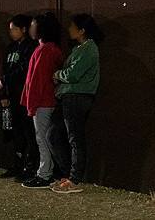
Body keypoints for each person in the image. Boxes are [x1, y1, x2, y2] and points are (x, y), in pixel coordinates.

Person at [47, 14, 103, 194]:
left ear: (82, 30)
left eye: (72, 26)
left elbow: (73, 74)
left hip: (77, 96)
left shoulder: (89, 48)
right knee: (53, 134)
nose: (69, 29)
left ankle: (74, 179)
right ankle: (68, 175)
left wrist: (57, 75)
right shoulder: (81, 48)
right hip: (68, 96)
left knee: (74, 138)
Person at [21, 12, 64, 189]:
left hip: (42, 102)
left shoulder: (43, 50)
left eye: (33, 24)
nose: (31, 27)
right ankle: (48, 172)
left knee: (42, 139)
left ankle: (45, 174)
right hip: (49, 100)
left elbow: (36, 81)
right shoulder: (52, 49)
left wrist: (31, 105)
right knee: (47, 138)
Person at [0, 14, 40, 181]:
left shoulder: (31, 47)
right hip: (12, 96)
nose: (11, 33)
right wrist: (4, 93)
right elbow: (4, 71)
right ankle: (17, 164)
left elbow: (24, 70)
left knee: (29, 132)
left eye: (14, 29)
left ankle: (30, 167)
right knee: (16, 133)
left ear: (23, 29)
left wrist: (5, 80)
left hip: (25, 96)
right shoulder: (10, 48)